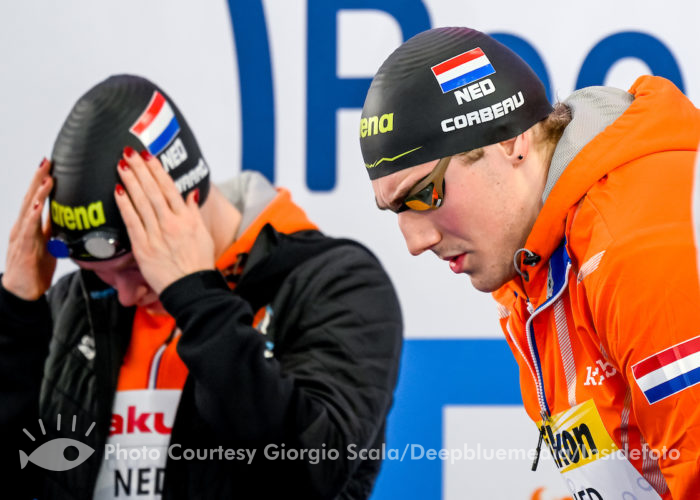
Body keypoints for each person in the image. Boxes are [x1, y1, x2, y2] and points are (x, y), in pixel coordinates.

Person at [0, 74, 403, 499]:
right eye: (99, 271)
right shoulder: (78, 301)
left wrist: (196, 299)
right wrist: (14, 317)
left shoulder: (335, 284)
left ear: (184, 202)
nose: (122, 294)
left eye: (136, 267)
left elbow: (307, 475)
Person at [359, 26, 700, 499]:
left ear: (509, 141)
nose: (415, 241)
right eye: (397, 210)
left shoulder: (637, 243)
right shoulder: (535, 273)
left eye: (424, 194)